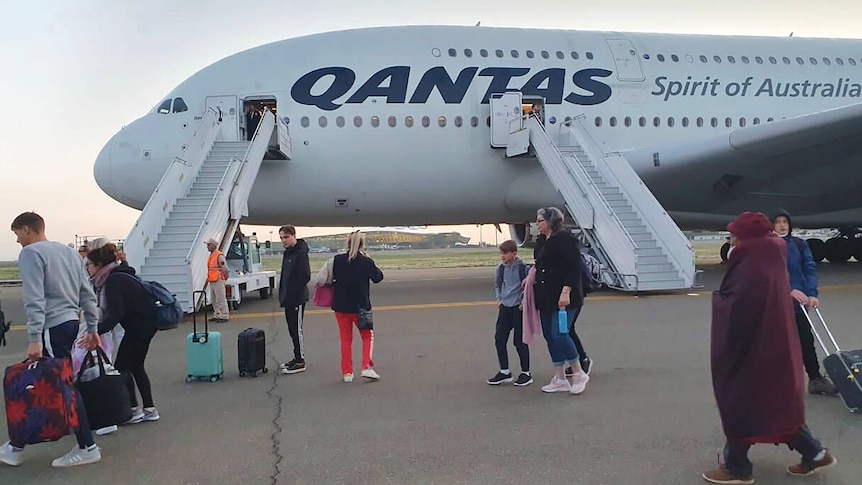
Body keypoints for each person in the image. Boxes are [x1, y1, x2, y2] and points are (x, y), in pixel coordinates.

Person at [703, 211, 836, 484]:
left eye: (734, 235)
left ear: (746, 239)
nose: (731, 240)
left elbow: (739, 306)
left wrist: (720, 300)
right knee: (776, 405)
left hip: (753, 350)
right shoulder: (769, 256)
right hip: (774, 347)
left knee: (742, 401)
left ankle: (737, 467)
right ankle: (815, 453)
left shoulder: (752, 264)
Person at [1, 212, 102, 468]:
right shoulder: (69, 253)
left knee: (58, 385)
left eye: (17, 234)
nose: (17, 241)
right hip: (70, 322)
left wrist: (34, 337)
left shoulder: (31, 254)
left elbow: (35, 298)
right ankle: (16, 445)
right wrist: (92, 327)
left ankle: (87, 445)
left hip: (51, 325)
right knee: (58, 382)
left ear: (27, 230)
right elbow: (87, 293)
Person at [87, 242, 160, 425]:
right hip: (145, 325)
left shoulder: (113, 281)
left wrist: (94, 331)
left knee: (122, 368)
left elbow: (115, 313)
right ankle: (149, 409)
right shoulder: (120, 274)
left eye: (88, 265)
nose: (87, 269)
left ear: (98, 265)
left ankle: (134, 410)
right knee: (135, 366)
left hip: (138, 328)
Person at [770, 210, 838, 397]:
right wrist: (789, 290)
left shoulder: (799, 244)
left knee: (806, 341)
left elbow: (809, 269)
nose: (782, 225)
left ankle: (815, 379)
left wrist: (812, 293)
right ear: (771, 225)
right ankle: (777, 383)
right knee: (778, 344)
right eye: (777, 222)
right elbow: (768, 275)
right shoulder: (767, 247)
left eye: (785, 221)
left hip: (799, 305)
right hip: (776, 303)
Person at [532, 207, 589, 395]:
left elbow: (574, 267)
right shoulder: (541, 241)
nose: (537, 224)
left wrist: (566, 291)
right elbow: (540, 265)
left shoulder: (564, 239)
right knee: (550, 336)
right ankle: (560, 378)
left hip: (564, 296)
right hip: (545, 296)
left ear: (551, 221)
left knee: (560, 333)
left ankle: (579, 373)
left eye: (540, 220)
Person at [331, 231, 384, 382]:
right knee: (367, 336)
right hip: (361, 307)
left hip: (341, 306)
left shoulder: (337, 260)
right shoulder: (366, 262)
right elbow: (378, 277)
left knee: (345, 340)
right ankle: (367, 366)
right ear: (362, 244)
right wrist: (370, 260)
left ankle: (347, 372)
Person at [486, 240, 532, 386]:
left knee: (519, 341)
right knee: (499, 338)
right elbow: (498, 285)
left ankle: (526, 373)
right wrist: (499, 299)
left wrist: (524, 301)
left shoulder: (523, 269)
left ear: (514, 253)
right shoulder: (501, 269)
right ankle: (504, 371)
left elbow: (529, 288)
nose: (502, 256)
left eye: (505, 253)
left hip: (518, 308)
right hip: (505, 307)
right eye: (501, 253)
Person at [278, 225, 311, 374]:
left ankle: (300, 360)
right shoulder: (288, 253)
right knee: (291, 330)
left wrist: (293, 293)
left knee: (297, 330)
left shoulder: (300, 253)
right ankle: (296, 356)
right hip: (288, 299)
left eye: (286, 237)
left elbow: (305, 275)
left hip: (296, 298)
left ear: (293, 236)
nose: (283, 240)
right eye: (281, 238)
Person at [205, 237, 229, 322]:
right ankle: (217, 314)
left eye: (209, 245)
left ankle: (224, 315)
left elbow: (225, 268)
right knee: (214, 299)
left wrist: (225, 277)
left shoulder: (219, 255)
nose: (207, 247)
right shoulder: (212, 255)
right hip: (212, 279)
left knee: (221, 298)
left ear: (213, 245)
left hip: (218, 279)